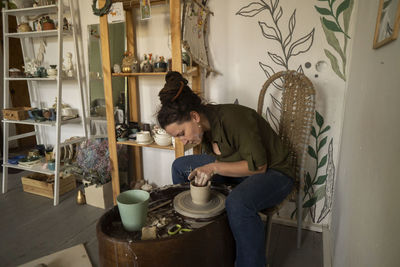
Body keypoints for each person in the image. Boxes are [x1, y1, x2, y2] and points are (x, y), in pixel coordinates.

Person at [157, 71, 294, 267]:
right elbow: (217, 160)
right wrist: (212, 168)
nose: (182, 140)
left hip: (275, 173)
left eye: (181, 133)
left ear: (194, 116)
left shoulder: (234, 118)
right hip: (238, 167)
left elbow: (259, 167)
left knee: (237, 203)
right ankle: (197, 230)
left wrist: (213, 167)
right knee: (180, 166)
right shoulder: (203, 127)